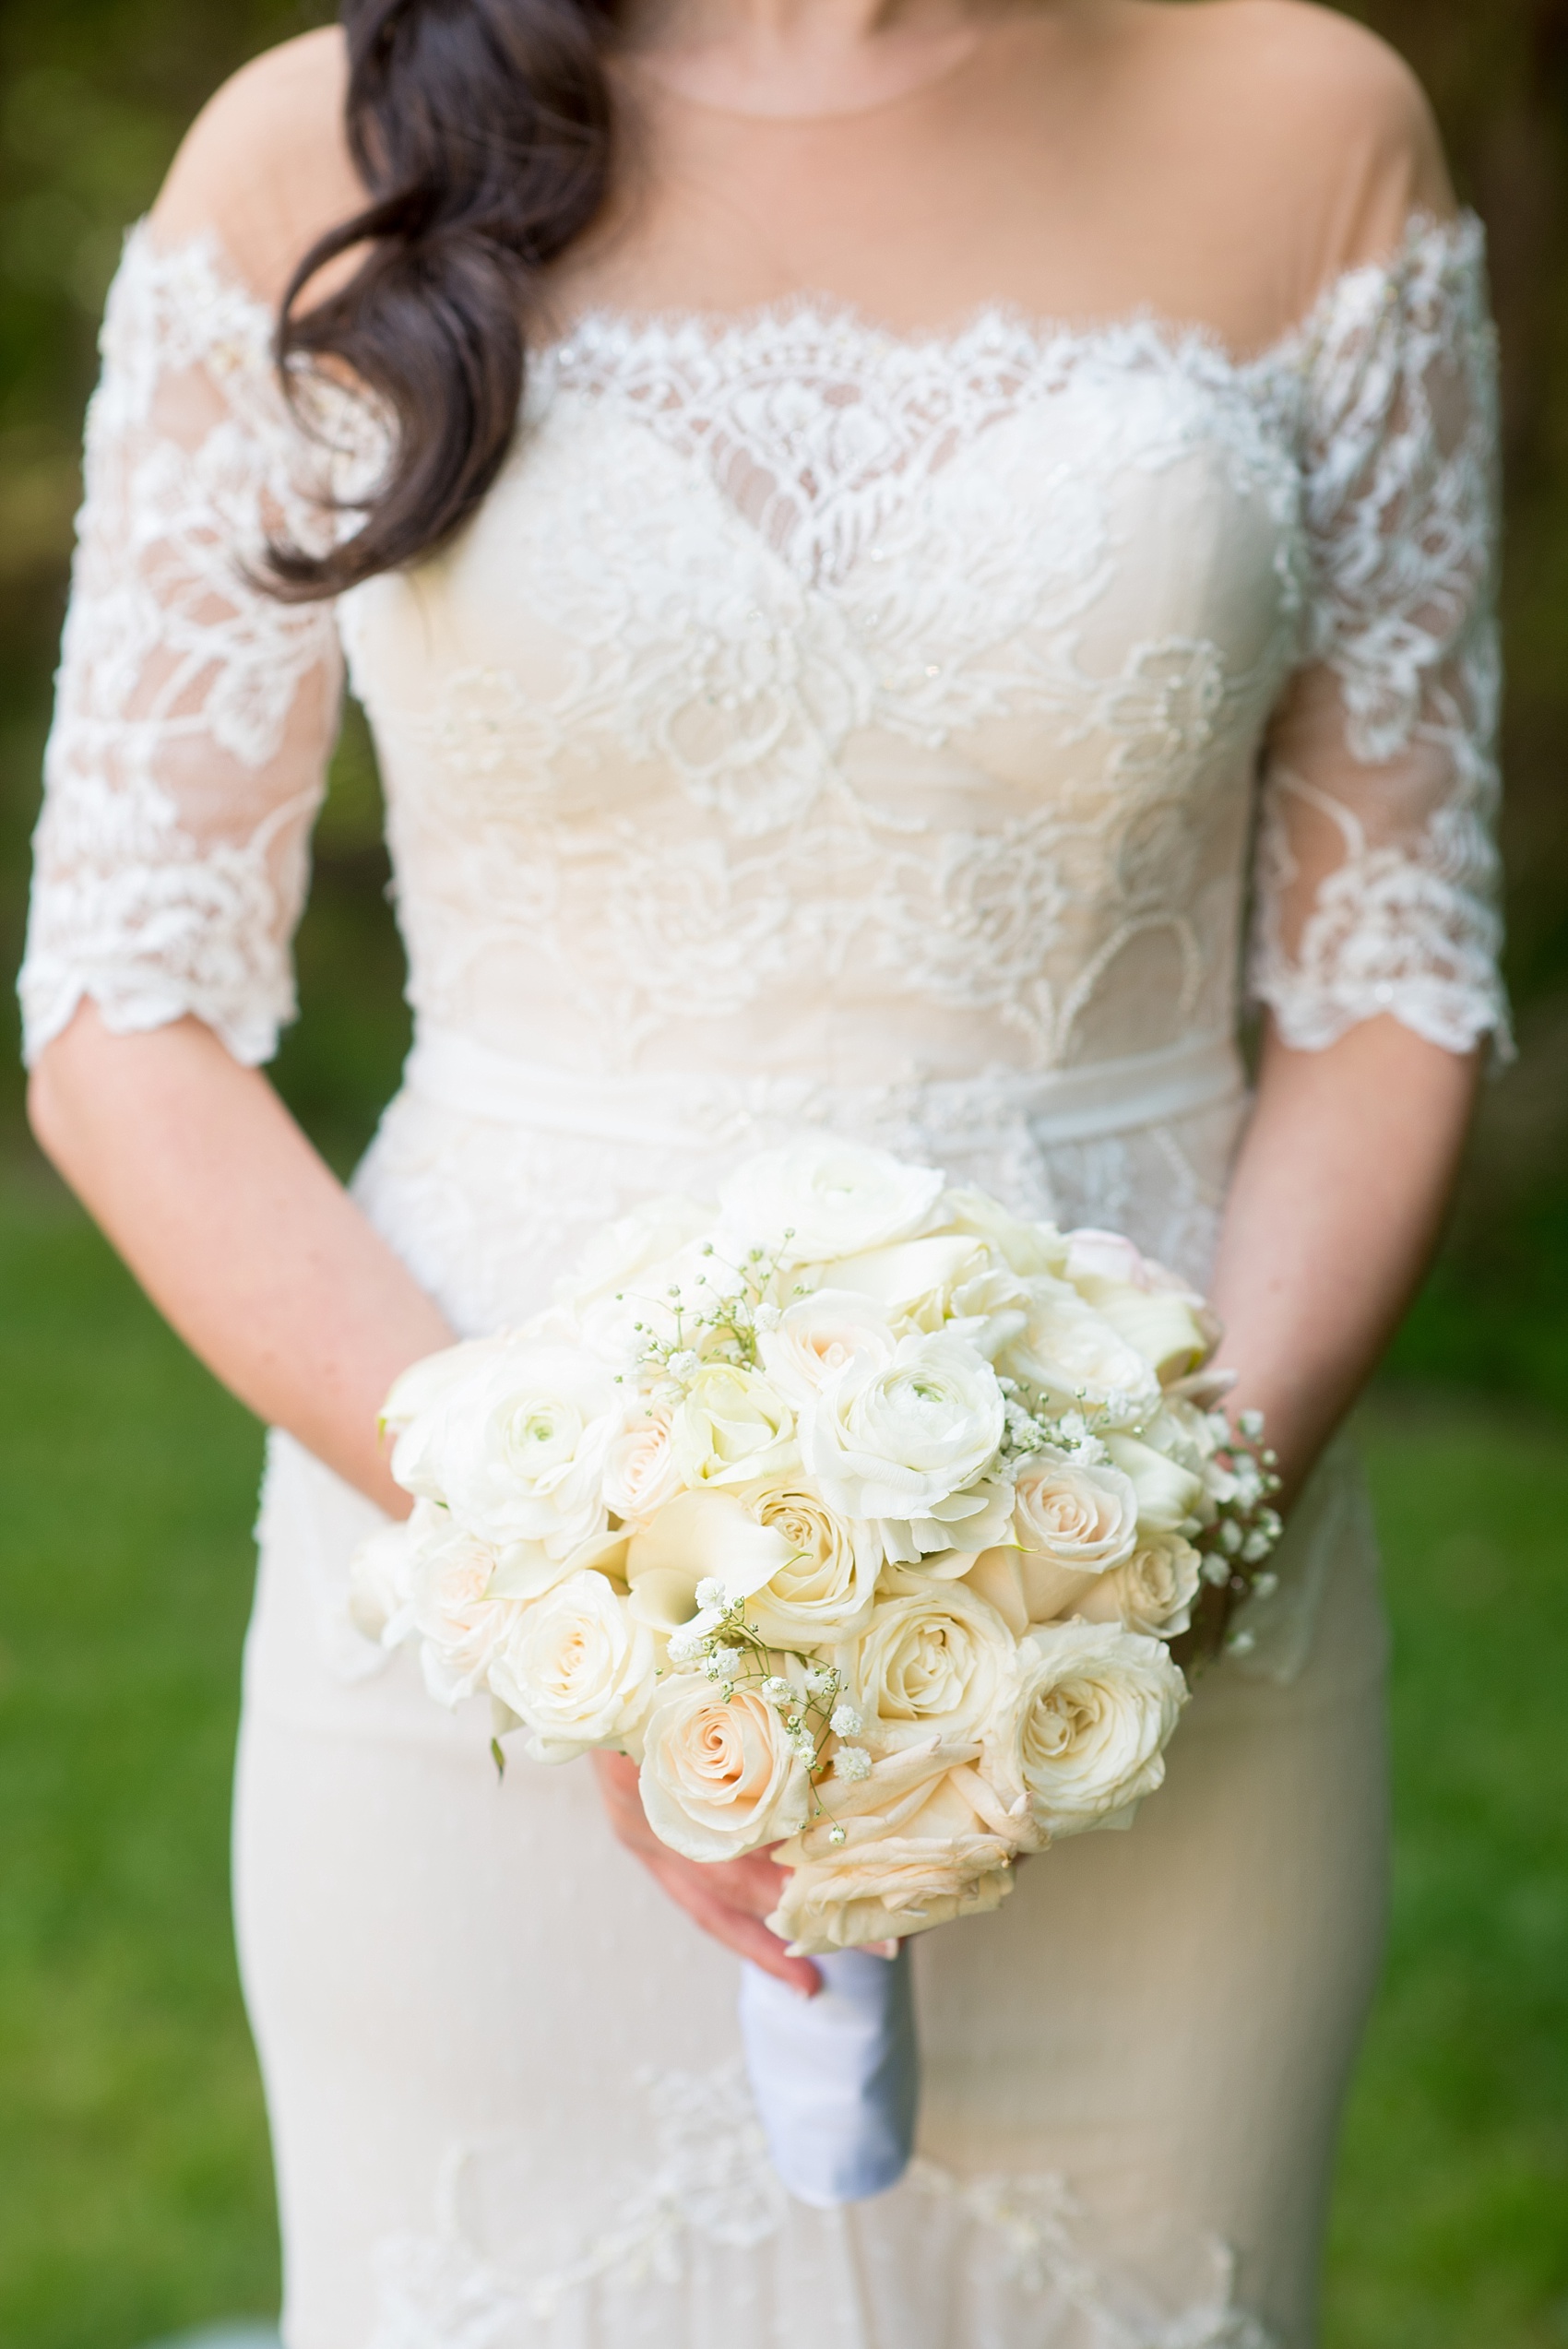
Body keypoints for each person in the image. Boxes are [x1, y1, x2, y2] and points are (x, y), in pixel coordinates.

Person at [19, 0, 1503, 2339]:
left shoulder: (1306, 124)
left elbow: (1391, 974)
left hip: (1158, 1633)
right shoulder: (304, 152)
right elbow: (124, 1011)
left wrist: (1159, 1539)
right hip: (474, 1614)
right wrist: (560, 1575)